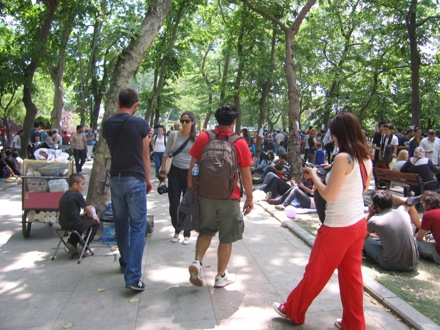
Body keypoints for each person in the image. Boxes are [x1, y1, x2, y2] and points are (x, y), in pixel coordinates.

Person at [273, 112, 373, 329]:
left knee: (316, 272)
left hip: (338, 226)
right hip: (357, 224)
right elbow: (362, 188)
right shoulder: (365, 158)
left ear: (338, 133)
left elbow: (328, 195)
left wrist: (314, 176)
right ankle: (354, 324)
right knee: (352, 278)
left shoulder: (342, 158)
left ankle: (293, 309)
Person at [187, 104, 253, 288]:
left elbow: (193, 165)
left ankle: (197, 262)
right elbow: (246, 174)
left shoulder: (203, 137)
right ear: (234, 121)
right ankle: (220, 276)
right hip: (229, 196)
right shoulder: (239, 142)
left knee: (206, 230)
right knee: (226, 237)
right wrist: (249, 197)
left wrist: (192, 188)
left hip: (204, 194)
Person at [102, 88, 153, 291]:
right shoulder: (140, 123)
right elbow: (145, 156)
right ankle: (133, 277)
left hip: (116, 179)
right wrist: (148, 179)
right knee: (138, 227)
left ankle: (125, 261)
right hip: (135, 179)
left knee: (121, 224)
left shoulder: (107, 124)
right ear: (136, 105)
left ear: (117, 102)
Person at [158, 112, 196, 245]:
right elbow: (166, 153)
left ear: (192, 122)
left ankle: (187, 232)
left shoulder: (196, 138)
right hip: (174, 172)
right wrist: (163, 169)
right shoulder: (174, 135)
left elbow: (199, 158)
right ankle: (177, 230)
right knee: (174, 204)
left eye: (187, 121)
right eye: (182, 121)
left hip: (189, 174)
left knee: (188, 204)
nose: (184, 123)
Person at [364, 190, 419, 271]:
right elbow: (408, 205)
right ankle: (420, 225)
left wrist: (370, 215)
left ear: (375, 206)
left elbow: (361, 234)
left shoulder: (374, 219)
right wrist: (405, 200)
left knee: (362, 238)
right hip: (412, 263)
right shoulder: (403, 214)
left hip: (390, 264)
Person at [58, 173, 100, 255]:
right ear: (75, 185)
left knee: (81, 221)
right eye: (82, 184)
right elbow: (87, 209)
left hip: (63, 223)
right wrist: (95, 217)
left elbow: (69, 213)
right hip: (75, 224)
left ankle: (72, 242)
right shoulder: (77, 195)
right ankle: (84, 245)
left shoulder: (64, 195)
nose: (83, 187)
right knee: (96, 224)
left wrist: (82, 215)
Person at [415, 191, 440, 264]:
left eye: (423, 203)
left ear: (428, 204)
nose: (422, 205)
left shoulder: (428, 215)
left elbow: (419, 238)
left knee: (413, 241)